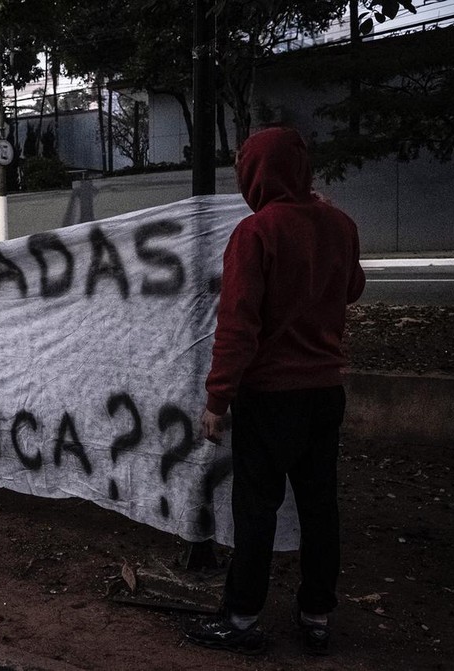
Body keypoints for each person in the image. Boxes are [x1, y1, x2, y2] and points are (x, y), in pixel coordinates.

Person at [183, 127, 366, 655]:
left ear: (254, 174)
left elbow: (238, 325)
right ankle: (316, 616)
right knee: (319, 506)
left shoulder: (255, 233)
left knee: (257, 510)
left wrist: (218, 398)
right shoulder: (339, 224)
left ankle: (241, 618)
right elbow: (352, 289)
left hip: (268, 397)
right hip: (324, 393)